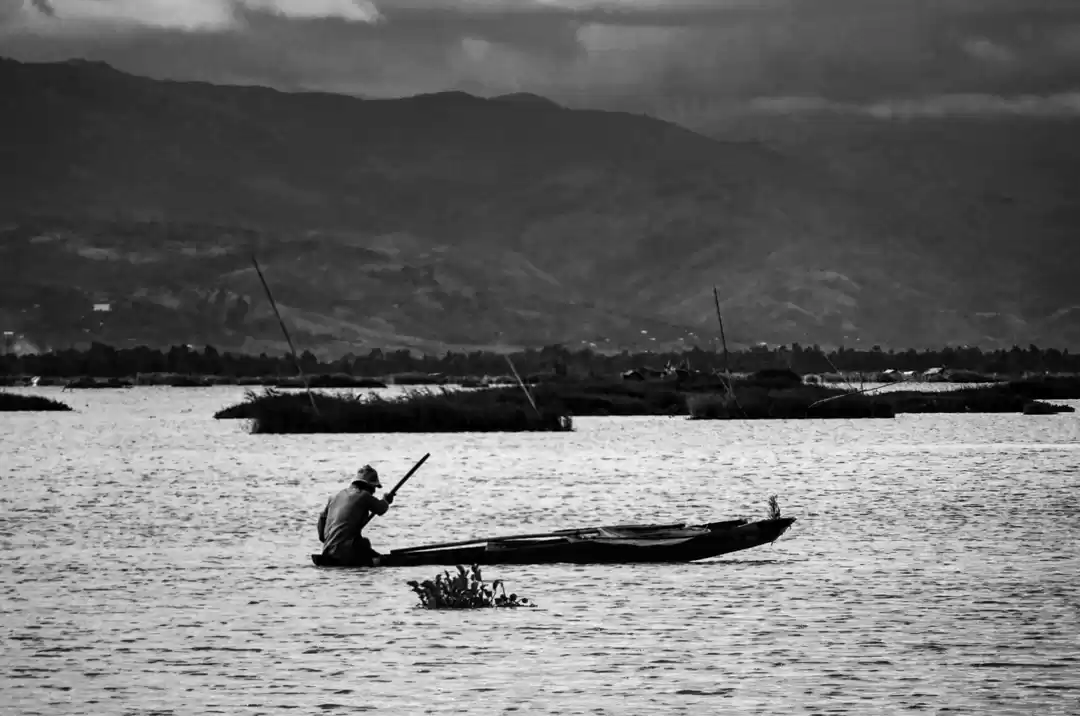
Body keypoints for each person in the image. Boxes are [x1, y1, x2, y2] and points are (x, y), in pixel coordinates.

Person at [317, 465, 394, 566]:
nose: (374, 492)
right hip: (345, 552)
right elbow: (381, 508)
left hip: (327, 551)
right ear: (368, 486)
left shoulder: (334, 497)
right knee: (364, 544)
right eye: (374, 488)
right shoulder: (364, 496)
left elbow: (321, 524)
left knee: (364, 546)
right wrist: (386, 500)